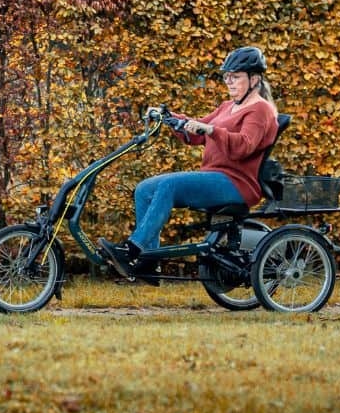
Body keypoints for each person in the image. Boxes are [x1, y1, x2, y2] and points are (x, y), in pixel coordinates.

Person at [100, 46, 278, 279]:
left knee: (169, 186)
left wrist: (213, 130)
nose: (229, 82)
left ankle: (133, 249)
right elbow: (196, 133)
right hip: (214, 177)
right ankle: (148, 262)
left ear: (254, 79)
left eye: (235, 77)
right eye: (227, 77)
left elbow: (244, 146)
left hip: (237, 183)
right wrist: (170, 118)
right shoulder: (228, 106)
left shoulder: (260, 110)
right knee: (144, 189)